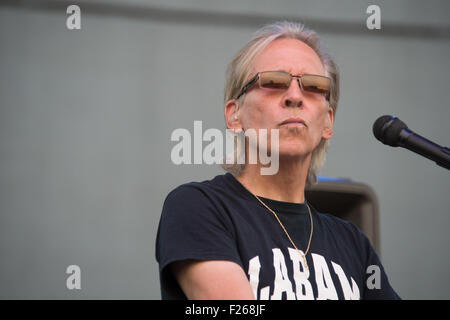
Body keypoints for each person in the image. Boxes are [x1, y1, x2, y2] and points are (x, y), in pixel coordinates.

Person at [155, 21, 400, 300]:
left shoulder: (353, 244)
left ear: (328, 122)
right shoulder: (197, 207)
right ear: (234, 115)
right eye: (273, 82)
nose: (295, 96)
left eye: (313, 86)